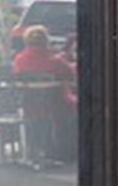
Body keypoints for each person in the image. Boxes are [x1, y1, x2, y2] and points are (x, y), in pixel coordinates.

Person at [11, 26, 77, 161]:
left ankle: (37, 149)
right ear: (46, 41)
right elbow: (70, 75)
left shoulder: (19, 60)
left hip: (28, 106)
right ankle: (64, 150)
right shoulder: (54, 61)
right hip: (54, 106)